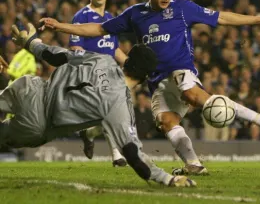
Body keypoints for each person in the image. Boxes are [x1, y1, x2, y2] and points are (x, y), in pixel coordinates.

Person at [40, 0, 260, 176]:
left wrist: (256, 19)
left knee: (194, 96)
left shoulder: (183, 8)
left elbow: (221, 17)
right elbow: (98, 29)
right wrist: (60, 26)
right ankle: (194, 164)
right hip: (157, 81)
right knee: (166, 121)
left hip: (182, 71)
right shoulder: (135, 14)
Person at [0, 23, 196, 187]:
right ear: (145, 77)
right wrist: (168, 179)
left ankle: (89, 132)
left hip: (30, 89)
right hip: (38, 124)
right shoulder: (119, 106)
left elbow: (58, 56)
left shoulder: (104, 60)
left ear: (127, 60)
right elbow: (134, 156)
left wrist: (31, 42)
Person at [69, 0, 128, 167]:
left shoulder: (111, 19)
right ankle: (117, 154)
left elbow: (114, 48)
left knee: (108, 115)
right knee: (109, 111)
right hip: (90, 73)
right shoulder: (81, 17)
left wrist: (129, 62)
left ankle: (89, 133)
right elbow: (75, 48)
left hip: (111, 74)